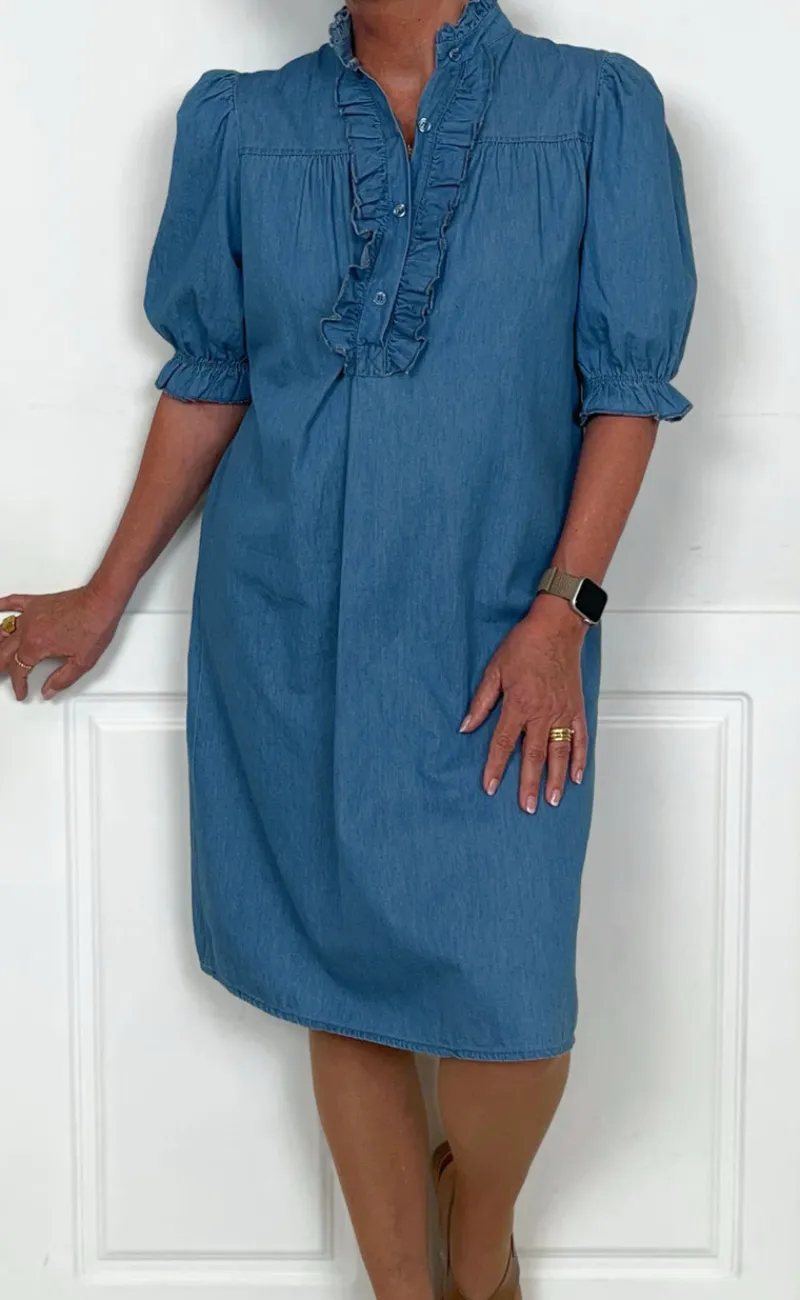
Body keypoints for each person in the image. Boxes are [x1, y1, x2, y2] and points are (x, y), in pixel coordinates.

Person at [0, 2, 696, 1297]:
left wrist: (564, 612)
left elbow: (627, 389)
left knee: (513, 1008)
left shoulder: (595, 108)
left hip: (500, 630)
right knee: (341, 973)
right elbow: (212, 378)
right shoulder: (240, 122)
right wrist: (103, 592)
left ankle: (476, 1240)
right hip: (286, 628)